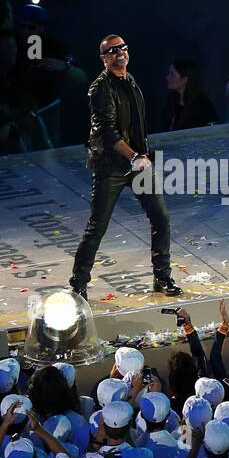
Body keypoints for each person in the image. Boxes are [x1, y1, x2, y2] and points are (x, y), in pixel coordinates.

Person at [69, 34, 180, 300]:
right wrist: (133, 157)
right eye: (112, 50)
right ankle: (78, 284)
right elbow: (107, 131)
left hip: (138, 162)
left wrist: (144, 154)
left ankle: (162, 277)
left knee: (160, 218)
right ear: (104, 58)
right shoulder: (100, 89)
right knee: (98, 225)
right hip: (112, 167)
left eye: (122, 48)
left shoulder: (130, 81)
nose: (119, 52)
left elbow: (137, 126)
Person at [160, 59, 217, 131]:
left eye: (172, 75)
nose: (167, 77)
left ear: (184, 79)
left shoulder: (201, 103)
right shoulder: (171, 101)